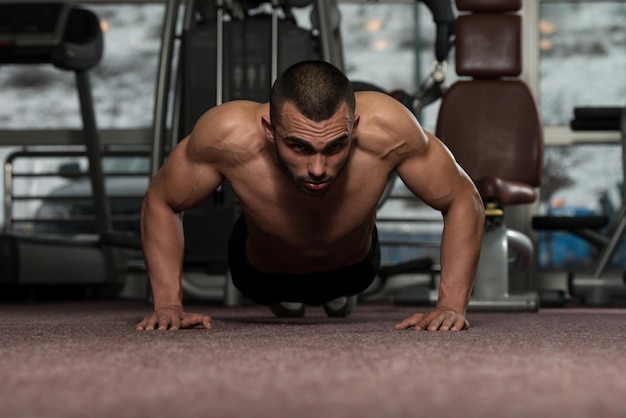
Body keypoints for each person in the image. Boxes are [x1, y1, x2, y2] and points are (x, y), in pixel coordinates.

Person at [136, 60, 484, 332]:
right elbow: (162, 200)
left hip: (354, 269)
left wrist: (451, 306)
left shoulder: (390, 128)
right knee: (276, 290)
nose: (317, 168)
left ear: (355, 127)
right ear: (270, 131)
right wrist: (168, 304)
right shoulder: (228, 134)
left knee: (339, 290)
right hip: (260, 274)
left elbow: (463, 199)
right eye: (299, 146)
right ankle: (286, 300)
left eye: (335, 146)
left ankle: (336, 296)